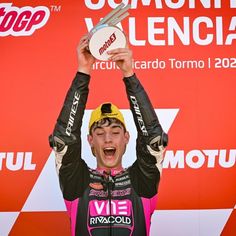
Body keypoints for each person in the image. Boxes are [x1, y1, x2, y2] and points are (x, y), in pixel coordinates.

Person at [49, 35, 168, 236]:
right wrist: (83, 71)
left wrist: (129, 74)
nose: (108, 139)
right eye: (100, 133)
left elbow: (153, 140)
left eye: (115, 132)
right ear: (90, 140)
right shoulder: (76, 181)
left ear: (126, 138)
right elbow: (64, 139)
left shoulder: (142, 181)